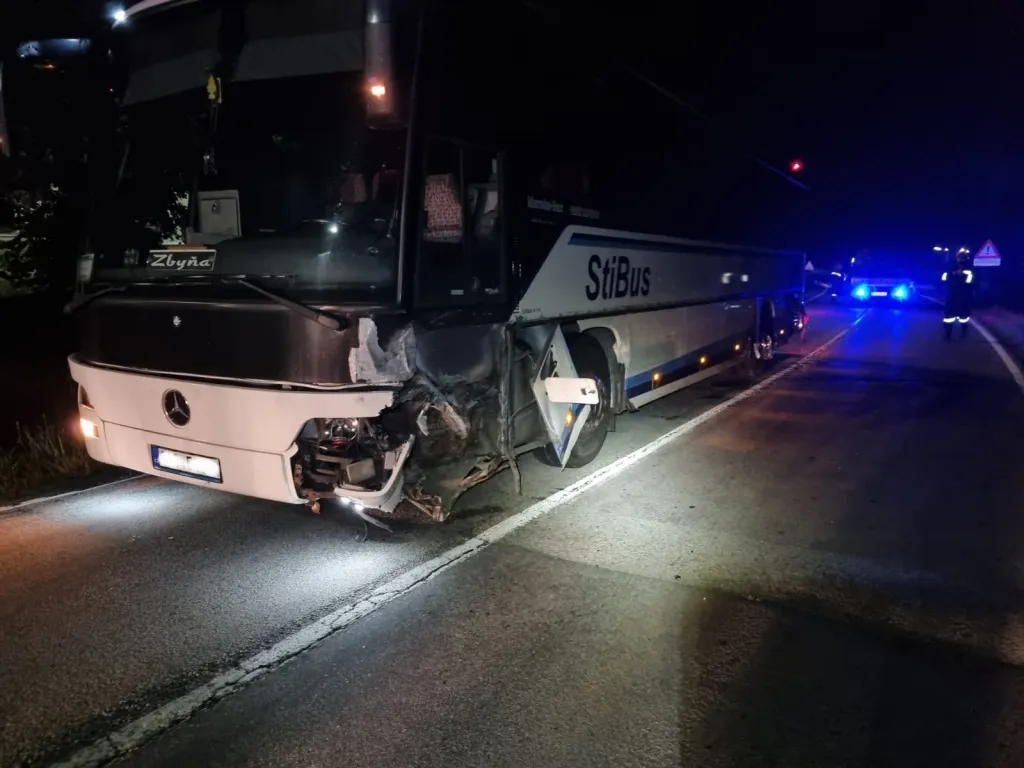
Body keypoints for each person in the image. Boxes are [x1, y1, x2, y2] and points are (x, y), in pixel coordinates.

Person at [941, 251, 974, 339]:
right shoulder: (951, 267)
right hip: (952, 294)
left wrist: (963, 275)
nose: (961, 259)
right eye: (960, 257)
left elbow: (971, 281)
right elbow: (943, 279)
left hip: (964, 295)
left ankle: (964, 332)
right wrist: (952, 274)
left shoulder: (969, 268)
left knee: (963, 316)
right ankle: (948, 333)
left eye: (963, 257)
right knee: (949, 316)